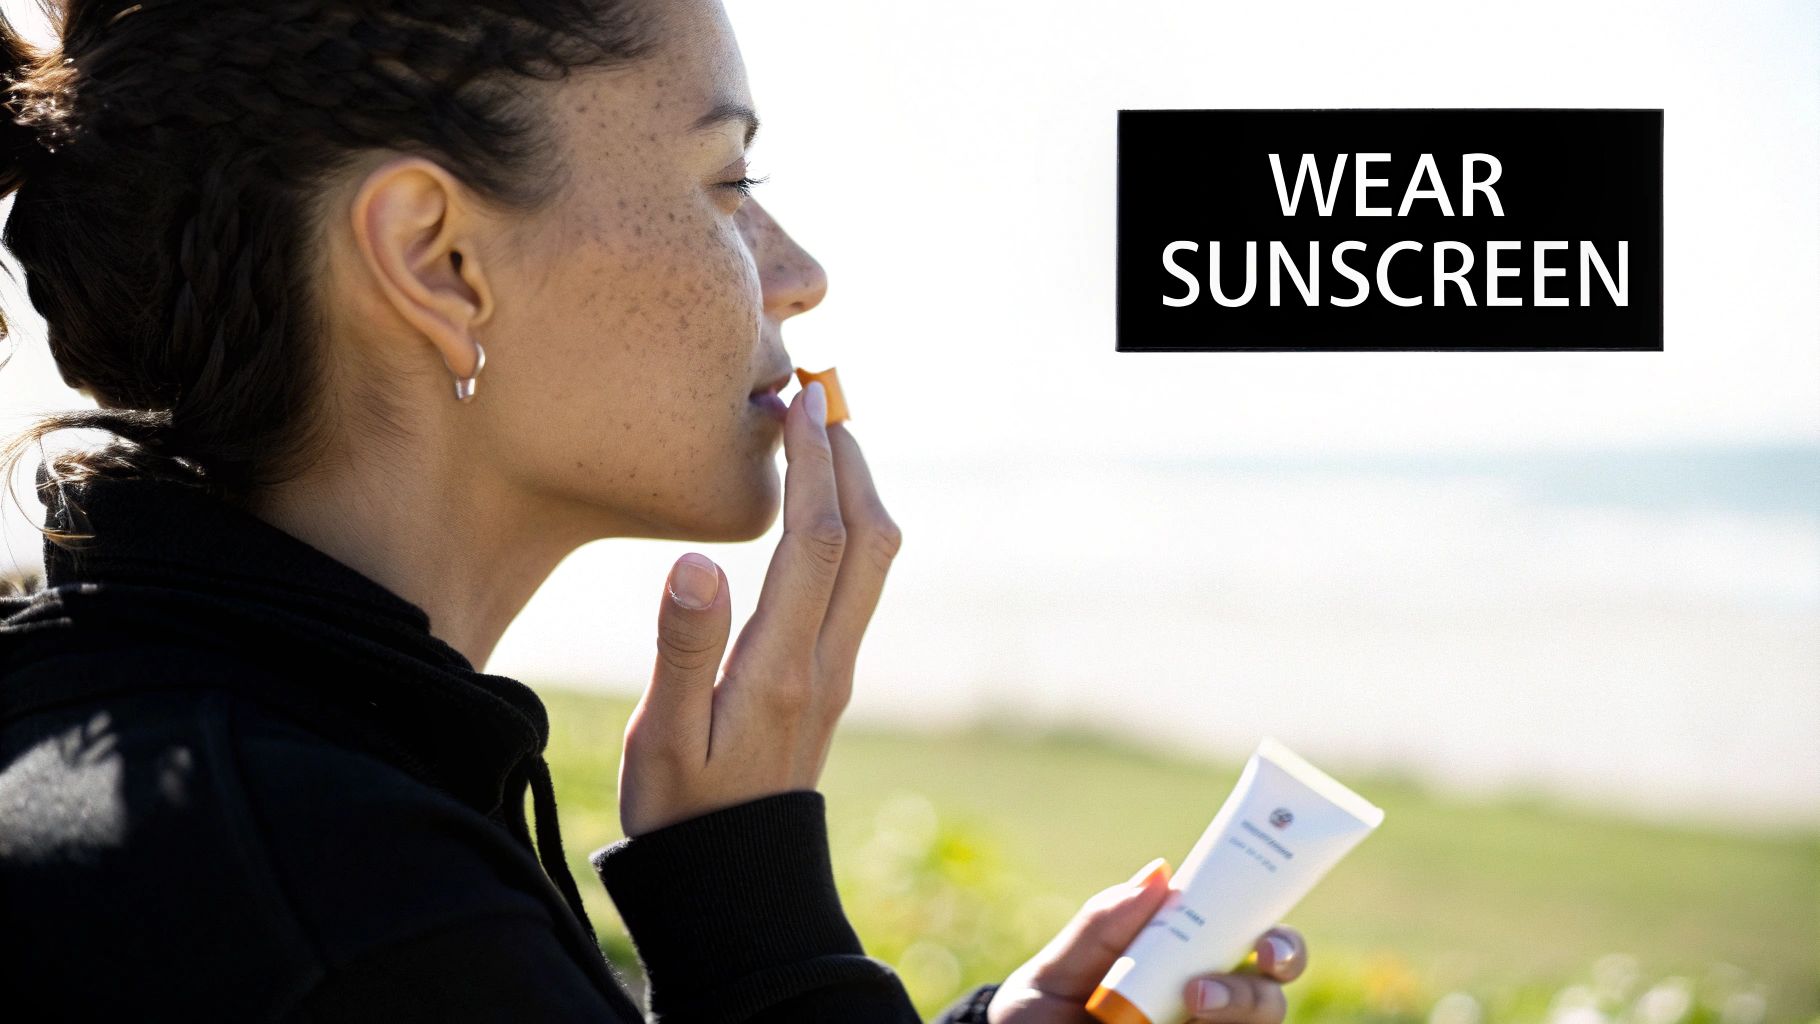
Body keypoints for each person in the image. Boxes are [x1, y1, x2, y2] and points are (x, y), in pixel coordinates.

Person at [0, 0, 1309, 1020]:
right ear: (438, 264)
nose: (797, 276)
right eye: (729, 182)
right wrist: (760, 929)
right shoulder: (351, 915)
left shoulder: (181, 771)